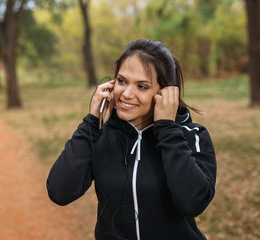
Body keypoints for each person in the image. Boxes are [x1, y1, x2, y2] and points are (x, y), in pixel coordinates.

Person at [46, 39, 216, 240]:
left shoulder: (191, 136)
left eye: (142, 86)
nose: (126, 94)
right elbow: (59, 192)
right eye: (122, 81)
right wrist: (90, 124)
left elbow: (193, 203)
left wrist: (167, 130)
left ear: (166, 93)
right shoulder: (100, 135)